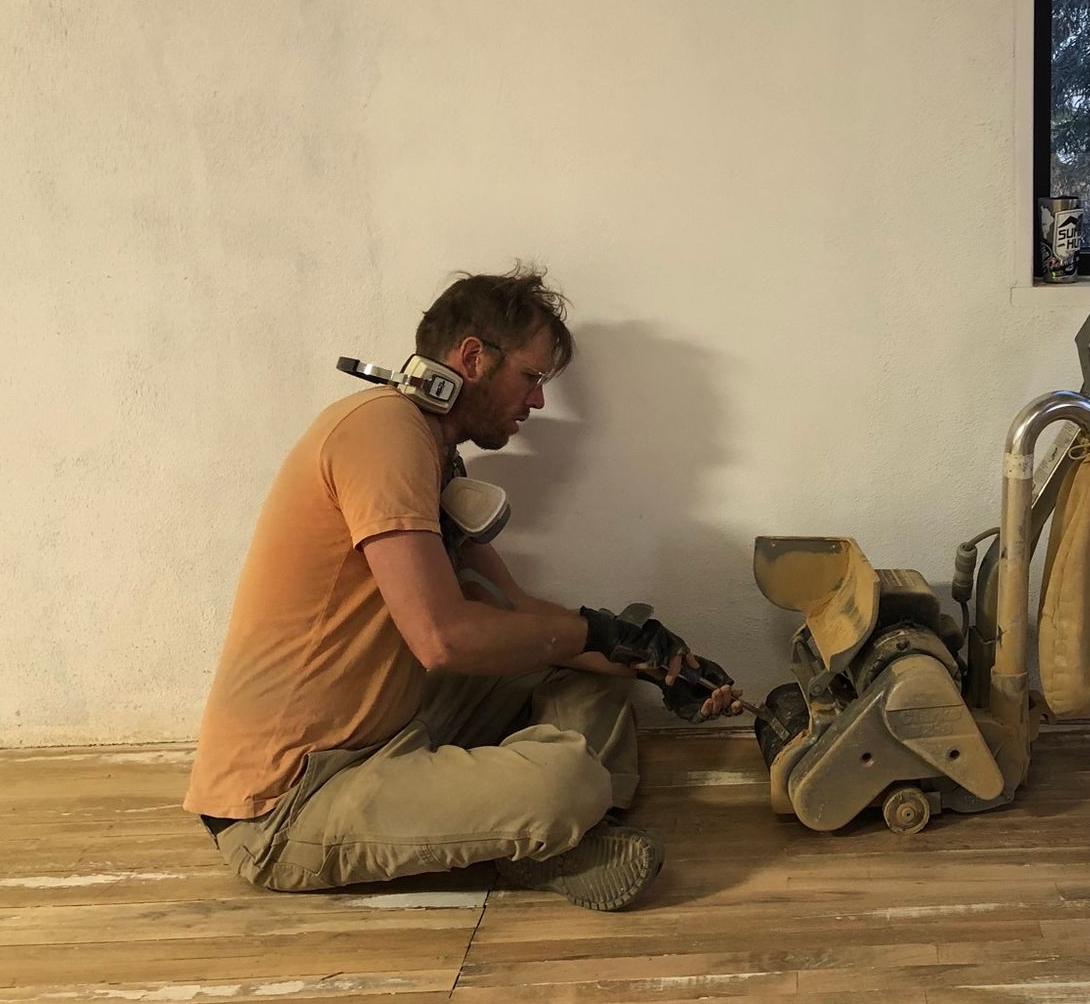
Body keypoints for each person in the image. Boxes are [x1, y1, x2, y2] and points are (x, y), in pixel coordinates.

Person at [184, 265, 739, 911]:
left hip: (396, 721)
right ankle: (556, 821)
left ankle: (550, 832)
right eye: (531, 378)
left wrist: (643, 655)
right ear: (472, 358)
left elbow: (515, 613)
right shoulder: (382, 431)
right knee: (570, 779)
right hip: (286, 802)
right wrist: (591, 631)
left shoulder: (433, 452)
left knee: (596, 670)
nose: (536, 402)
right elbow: (443, 639)